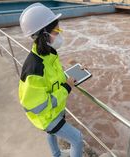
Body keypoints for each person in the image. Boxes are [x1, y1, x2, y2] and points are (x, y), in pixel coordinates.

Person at [18, 3, 83, 157]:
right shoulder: (34, 69)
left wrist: (74, 73)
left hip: (55, 111)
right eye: (57, 31)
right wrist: (66, 88)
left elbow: (53, 79)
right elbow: (37, 106)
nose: (60, 34)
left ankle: (56, 155)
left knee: (52, 135)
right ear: (44, 35)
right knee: (77, 139)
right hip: (45, 117)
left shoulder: (48, 54)